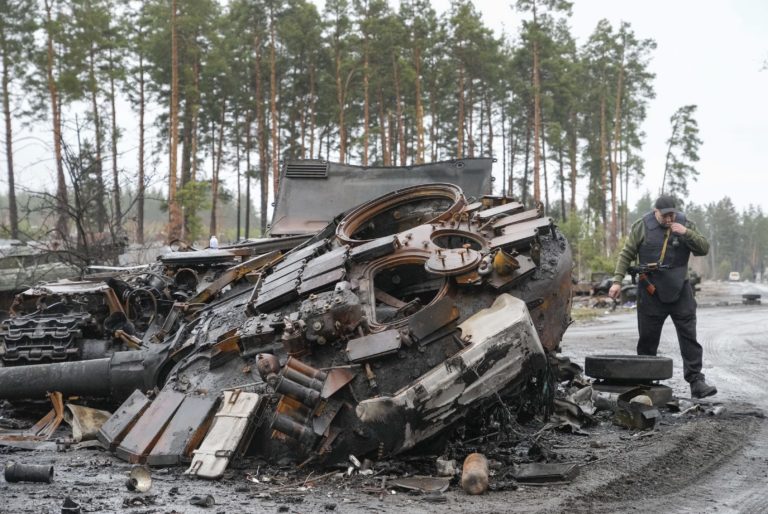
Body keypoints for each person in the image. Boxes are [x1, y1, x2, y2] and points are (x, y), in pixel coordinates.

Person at [608, 194, 717, 399]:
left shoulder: (685, 224)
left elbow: (703, 248)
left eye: (672, 215)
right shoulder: (642, 226)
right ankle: (645, 384)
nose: (669, 219)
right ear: (655, 212)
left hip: (680, 289)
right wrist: (616, 281)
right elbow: (627, 253)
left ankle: (696, 381)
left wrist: (686, 233)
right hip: (651, 291)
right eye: (665, 215)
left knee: (689, 337)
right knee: (648, 340)